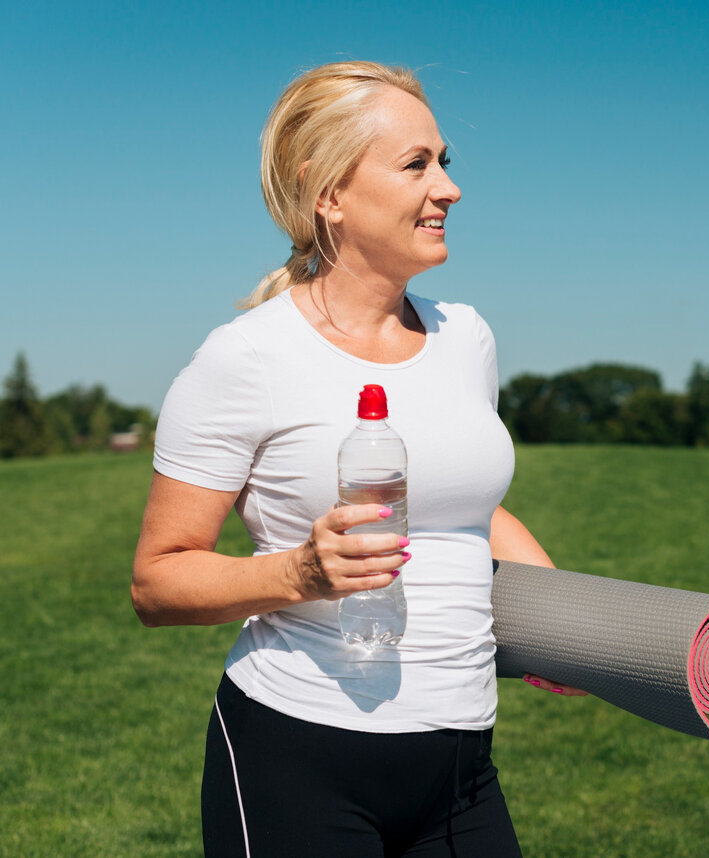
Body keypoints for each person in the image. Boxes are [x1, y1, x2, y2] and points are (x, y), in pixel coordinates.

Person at [132, 61, 583, 857]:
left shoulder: (465, 337)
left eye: (446, 162)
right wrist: (297, 574)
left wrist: (566, 623)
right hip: (297, 758)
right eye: (417, 164)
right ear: (329, 194)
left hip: (461, 764)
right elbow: (157, 580)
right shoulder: (244, 359)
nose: (448, 189)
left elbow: (468, 507)